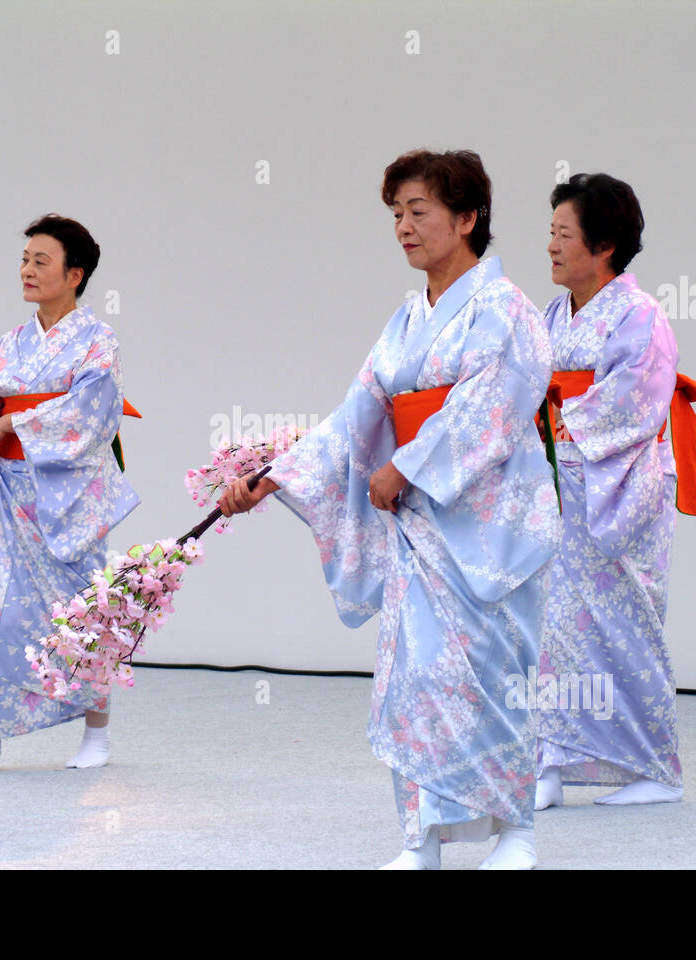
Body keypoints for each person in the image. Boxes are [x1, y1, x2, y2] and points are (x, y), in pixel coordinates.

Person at [219, 150, 560, 869]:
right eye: (396, 214)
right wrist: (276, 476)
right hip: (420, 526)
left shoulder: (505, 309)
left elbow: (491, 409)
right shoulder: (408, 318)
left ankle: (516, 828)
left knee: (487, 670)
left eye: (418, 212)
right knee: (416, 674)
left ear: (468, 219)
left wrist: (405, 465)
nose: (403, 226)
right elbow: (357, 413)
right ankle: (423, 837)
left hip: (487, 525)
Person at [534, 173, 696, 810]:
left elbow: (632, 404)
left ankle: (656, 768)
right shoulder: (552, 314)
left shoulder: (640, 316)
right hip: (555, 481)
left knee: (621, 624)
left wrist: (555, 425)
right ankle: (550, 758)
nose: (550, 246)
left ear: (604, 245)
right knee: (552, 626)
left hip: (616, 486)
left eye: (562, 234)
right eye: (550, 233)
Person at [0, 214, 139, 775]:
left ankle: (96, 732)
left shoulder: (98, 341)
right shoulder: (7, 346)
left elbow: (90, 412)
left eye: (42, 261)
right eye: (25, 260)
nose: (28, 270)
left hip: (69, 498)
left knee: (84, 610)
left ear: (75, 274)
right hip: (13, 492)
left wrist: (19, 424)